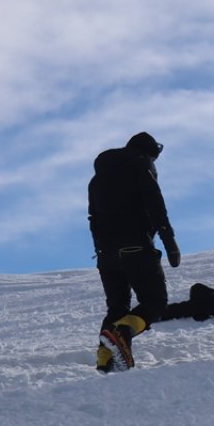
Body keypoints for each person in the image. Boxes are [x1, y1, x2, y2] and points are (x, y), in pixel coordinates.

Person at [88, 132, 180, 373]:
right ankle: (123, 332)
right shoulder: (140, 165)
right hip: (136, 246)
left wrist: (100, 249)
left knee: (117, 308)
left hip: (106, 253)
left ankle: (105, 361)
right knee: (155, 302)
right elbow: (156, 205)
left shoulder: (97, 179)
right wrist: (170, 243)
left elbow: (93, 218)